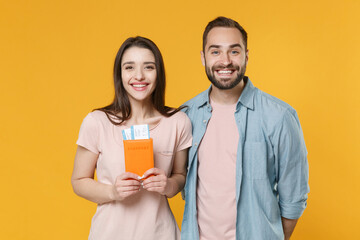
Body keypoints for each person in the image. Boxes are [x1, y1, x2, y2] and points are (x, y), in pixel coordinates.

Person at [181, 17, 309, 240]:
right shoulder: (186, 115)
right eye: (215, 52)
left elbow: (294, 199)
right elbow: (183, 186)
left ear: (246, 56)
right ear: (203, 58)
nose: (225, 61)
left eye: (234, 51)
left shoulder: (280, 117)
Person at [71, 36, 192, 240]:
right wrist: (113, 192)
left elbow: (180, 175)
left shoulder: (178, 122)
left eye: (148, 67)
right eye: (129, 67)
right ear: (120, 73)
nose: (139, 76)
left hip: (161, 234)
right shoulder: (97, 122)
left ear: (159, 73)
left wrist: (169, 186)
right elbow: (78, 181)